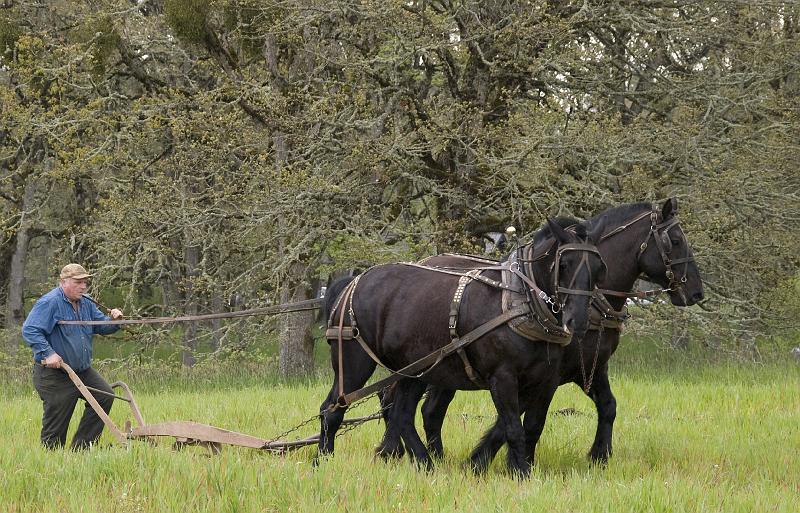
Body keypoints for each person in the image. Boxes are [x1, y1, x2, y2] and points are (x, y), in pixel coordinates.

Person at [22, 263, 124, 450]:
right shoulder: (50, 302)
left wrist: (114, 321)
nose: (83, 286)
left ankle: (82, 449)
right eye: (78, 282)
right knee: (57, 426)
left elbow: (100, 326)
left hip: (82, 371)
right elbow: (30, 330)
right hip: (55, 375)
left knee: (105, 396)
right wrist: (49, 353)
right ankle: (51, 462)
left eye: (85, 282)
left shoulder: (86, 302)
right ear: (64, 282)